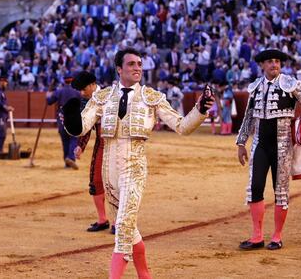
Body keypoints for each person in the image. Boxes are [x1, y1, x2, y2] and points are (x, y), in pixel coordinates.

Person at [63, 48, 214, 278]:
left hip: (134, 168)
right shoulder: (102, 97)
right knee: (129, 230)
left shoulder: (152, 97)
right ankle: (145, 275)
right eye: (132, 64)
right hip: (109, 172)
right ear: (119, 69)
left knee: (122, 228)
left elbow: (181, 126)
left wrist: (200, 109)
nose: (138, 68)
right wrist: (72, 120)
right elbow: (81, 127)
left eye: (140, 64)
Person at [236, 49, 301, 251]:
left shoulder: (290, 84)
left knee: (280, 192)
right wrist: (241, 143)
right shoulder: (255, 87)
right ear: (262, 65)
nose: (274, 64)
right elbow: (248, 117)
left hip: (282, 146)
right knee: (255, 187)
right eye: (270, 62)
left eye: (277, 61)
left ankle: (277, 236)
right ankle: (257, 237)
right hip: (260, 146)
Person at [72, 71, 113, 233]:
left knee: (116, 184)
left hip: (118, 144)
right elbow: (86, 126)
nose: (82, 93)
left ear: (92, 85)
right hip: (101, 145)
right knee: (96, 181)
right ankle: (102, 219)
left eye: (83, 89)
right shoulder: (88, 101)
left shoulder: (111, 96)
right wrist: (80, 146)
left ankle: (119, 221)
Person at [46, 74, 81, 170]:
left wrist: (48, 93)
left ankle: (67, 162)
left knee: (65, 141)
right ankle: (70, 158)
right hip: (74, 119)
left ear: (64, 81)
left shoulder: (59, 91)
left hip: (62, 120)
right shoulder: (77, 92)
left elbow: (49, 101)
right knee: (74, 139)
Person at [0, 77, 14, 154]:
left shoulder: (0, 91)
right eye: (6, 82)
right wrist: (6, 108)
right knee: (1, 132)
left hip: (2, 115)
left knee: (2, 132)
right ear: (1, 82)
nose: (6, 84)